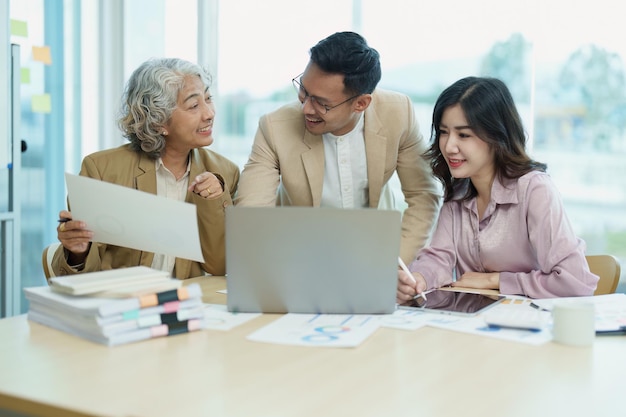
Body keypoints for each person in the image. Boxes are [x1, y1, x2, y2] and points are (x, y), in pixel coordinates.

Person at [234, 31, 441, 264]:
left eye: (322, 103)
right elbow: (252, 213)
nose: (306, 108)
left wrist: (395, 266)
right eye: (304, 91)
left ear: (361, 103)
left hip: (375, 253)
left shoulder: (398, 113)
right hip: (300, 258)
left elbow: (423, 195)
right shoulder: (274, 127)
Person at [397, 76, 599, 302]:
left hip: (528, 327)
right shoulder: (459, 191)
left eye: (463, 135)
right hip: (476, 326)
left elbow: (575, 281)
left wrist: (497, 280)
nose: (449, 146)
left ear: (496, 135)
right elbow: (439, 258)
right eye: (444, 132)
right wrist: (420, 277)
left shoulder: (534, 189)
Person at [50, 57, 240, 279]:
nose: (209, 113)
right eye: (194, 105)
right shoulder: (101, 170)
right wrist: (77, 253)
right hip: (122, 303)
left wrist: (213, 199)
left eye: (208, 99)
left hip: (184, 304)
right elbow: (76, 276)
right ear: (159, 121)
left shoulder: (225, 173)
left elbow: (220, 267)